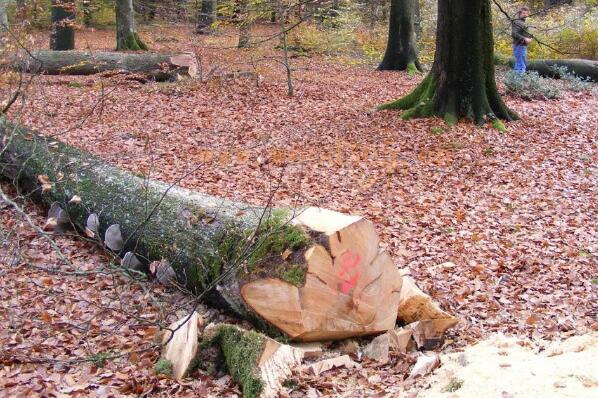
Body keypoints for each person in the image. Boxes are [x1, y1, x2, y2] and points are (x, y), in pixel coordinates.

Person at [511, 6, 533, 74]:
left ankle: (515, 81)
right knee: (521, 66)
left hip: (521, 45)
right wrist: (525, 39)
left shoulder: (521, 22)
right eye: (524, 13)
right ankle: (519, 82)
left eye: (526, 13)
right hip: (519, 46)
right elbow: (514, 34)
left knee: (518, 64)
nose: (525, 15)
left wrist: (530, 37)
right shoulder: (518, 22)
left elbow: (521, 33)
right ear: (520, 13)